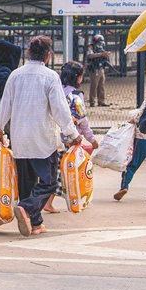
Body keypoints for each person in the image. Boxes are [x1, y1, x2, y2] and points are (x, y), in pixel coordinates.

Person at [0, 35, 80, 238]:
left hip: (20, 137)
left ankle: (36, 223)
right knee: (48, 182)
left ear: (28, 53)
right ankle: (26, 208)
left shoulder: (15, 75)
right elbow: (60, 109)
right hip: (43, 138)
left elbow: (6, 104)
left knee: (27, 182)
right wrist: (72, 133)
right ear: (48, 56)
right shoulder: (49, 77)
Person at [44, 61, 99, 213]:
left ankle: (48, 201)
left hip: (51, 137)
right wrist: (92, 140)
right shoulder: (76, 95)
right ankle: (52, 201)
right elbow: (83, 121)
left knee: (53, 171)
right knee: (65, 173)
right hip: (69, 141)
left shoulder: (56, 90)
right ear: (78, 78)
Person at [115, 88, 146, 202]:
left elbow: (138, 116)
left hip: (141, 139)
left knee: (132, 164)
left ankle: (124, 187)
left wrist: (130, 121)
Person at [84, 34, 110, 107]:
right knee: (94, 85)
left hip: (101, 67)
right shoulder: (90, 47)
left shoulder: (101, 47)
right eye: (99, 42)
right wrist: (101, 54)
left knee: (101, 85)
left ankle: (101, 101)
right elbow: (89, 56)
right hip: (94, 68)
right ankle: (92, 101)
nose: (100, 44)